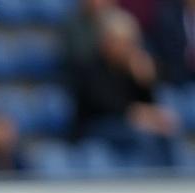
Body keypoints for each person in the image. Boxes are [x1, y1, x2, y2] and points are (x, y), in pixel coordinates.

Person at [73, 8, 179, 167]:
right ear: (107, 41)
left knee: (165, 130)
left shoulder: (132, 68)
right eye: (123, 42)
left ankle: (171, 180)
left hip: (129, 123)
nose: (128, 48)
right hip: (96, 127)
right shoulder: (89, 68)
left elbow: (149, 103)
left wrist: (146, 82)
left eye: (131, 43)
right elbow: (101, 104)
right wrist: (135, 113)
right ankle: (149, 181)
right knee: (143, 135)